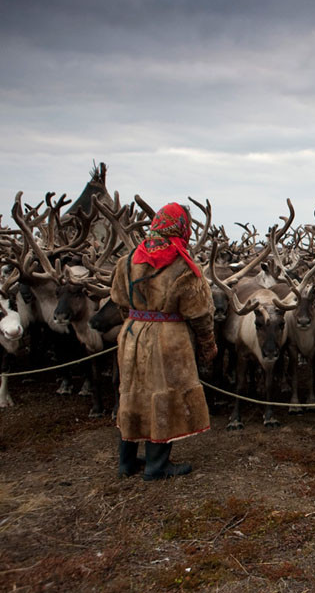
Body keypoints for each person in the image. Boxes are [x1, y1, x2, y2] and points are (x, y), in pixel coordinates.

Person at [110, 202, 217, 481]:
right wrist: (208, 345)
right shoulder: (183, 265)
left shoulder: (128, 259)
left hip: (132, 333)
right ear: (182, 228)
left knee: (131, 394)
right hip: (169, 339)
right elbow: (200, 312)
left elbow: (119, 300)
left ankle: (127, 462)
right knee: (164, 397)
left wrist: (135, 321)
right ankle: (158, 466)